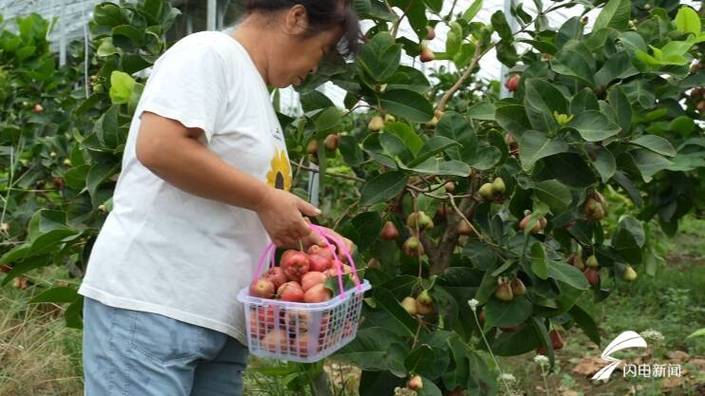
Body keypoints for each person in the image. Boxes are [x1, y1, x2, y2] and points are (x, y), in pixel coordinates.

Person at [78, 1, 361, 394]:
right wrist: (265, 199)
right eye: (321, 52)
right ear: (296, 18)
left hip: (219, 322)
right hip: (154, 306)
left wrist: (308, 239)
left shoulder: (258, 99)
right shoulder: (210, 53)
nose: (314, 69)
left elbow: (237, 201)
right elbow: (160, 146)